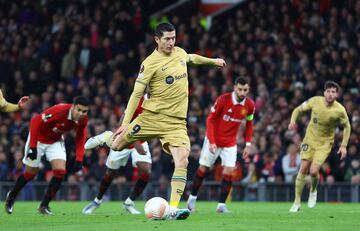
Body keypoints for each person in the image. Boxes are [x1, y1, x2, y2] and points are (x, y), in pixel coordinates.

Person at [107, 22, 226, 220]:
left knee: (182, 160)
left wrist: (212, 61)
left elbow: (192, 58)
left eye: (173, 38)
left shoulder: (179, 52)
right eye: (167, 39)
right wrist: (126, 123)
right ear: (157, 39)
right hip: (151, 118)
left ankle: (172, 209)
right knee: (116, 145)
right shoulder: (150, 63)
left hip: (176, 123)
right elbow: (136, 94)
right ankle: (105, 137)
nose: (171, 42)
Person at [5, 96, 89, 215]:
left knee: (60, 172)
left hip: (55, 141)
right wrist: (33, 147)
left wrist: (79, 158)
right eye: (79, 110)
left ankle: (44, 205)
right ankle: (12, 196)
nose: (81, 113)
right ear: (73, 107)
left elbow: (80, 137)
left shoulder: (83, 119)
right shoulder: (60, 111)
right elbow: (35, 121)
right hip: (38, 139)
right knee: (30, 174)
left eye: (84, 111)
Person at [187, 77, 255, 213]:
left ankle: (221, 205)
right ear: (235, 88)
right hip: (214, 140)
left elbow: (249, 124)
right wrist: (211, 141)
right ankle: (191, 200)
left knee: (229, 171)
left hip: (230, 143)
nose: (242, 92)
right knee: (203, 169)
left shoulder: (250, 106)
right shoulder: (223, 100)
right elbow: (210, 120)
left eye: (245, 90)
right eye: (240, 89)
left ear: (248, 90)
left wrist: (248, 144)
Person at [82, 96, 152, 215]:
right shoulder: (139, 100)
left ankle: (129, 203)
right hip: (124, 137)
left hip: (141, 140)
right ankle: (97, 201)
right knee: (110, 173)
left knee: (145, 171)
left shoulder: (161, 102)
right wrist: (135, 144)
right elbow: (123, 121)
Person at [288, 81, 351, 212]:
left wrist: (344, 145)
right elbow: (297, 109)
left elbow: (347, 127)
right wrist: (293, 120)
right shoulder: (315, 101)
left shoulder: (339, 110)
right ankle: (297, 202)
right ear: (324, 93)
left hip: (325, 143)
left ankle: (313, 190)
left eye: (333, 92)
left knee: (313, 171)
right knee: (303, 168)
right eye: (328, 91)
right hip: (309, 139)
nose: (330, 94)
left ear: (337, 95)